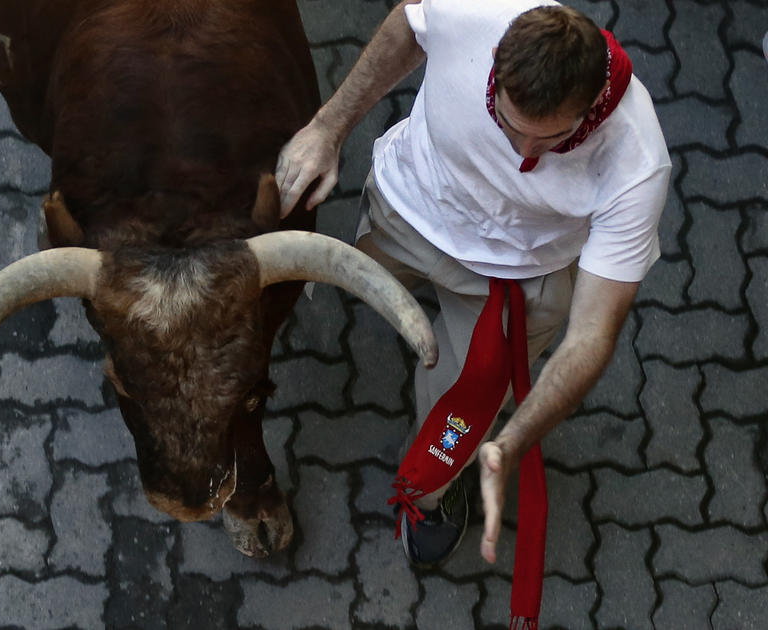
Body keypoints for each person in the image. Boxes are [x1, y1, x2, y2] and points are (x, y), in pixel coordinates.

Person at [276, 0, 670, 571]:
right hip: (408, 211)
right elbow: (408, 29)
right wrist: (328, 127)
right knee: (325, 280)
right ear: (493, 67)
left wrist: (510, 446)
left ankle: (432, 488)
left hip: (513, 276)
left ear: (593, 106)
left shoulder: (637, 164)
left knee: (462, 418)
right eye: (510, 127)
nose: (524, 155)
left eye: (554, 139)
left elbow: (591, 336)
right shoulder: (471, 9)